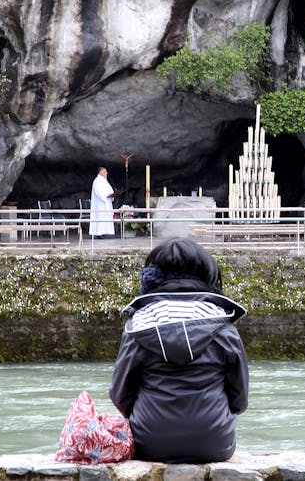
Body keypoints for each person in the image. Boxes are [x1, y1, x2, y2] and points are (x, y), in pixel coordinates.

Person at [109, 238, 249, 463]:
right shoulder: (225, 329)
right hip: (215, 445)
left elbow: (120, 395)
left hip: (149, 445)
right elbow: (239, 400)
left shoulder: (138, 328)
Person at [90, 167, 116, 238]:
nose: (106, 173)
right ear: (100, 172)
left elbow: (110, 190)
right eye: (104, 172)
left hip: (107, 203)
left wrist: (112, 195)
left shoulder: (104, 180)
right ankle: (99, 233)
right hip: (100, 204)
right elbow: (98, 192)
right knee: (100, 217)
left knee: (106, 217)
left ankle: (105, 232)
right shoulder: (97, 180)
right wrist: (105, 197)